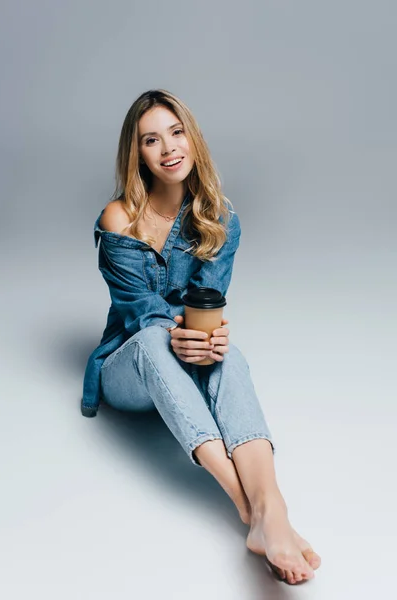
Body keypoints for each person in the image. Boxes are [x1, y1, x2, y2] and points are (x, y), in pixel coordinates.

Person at [81, 89, 321, 585]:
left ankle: (271, 508)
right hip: (130, 368)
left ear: (193, 138)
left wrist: (210, 337)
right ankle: (247, 506)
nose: (168, 148)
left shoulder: (219, 218)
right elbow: (142, 314)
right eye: (151, 139)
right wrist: (182, 334)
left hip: (183, 354)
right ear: (138, 154)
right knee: (152, 342)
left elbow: (206, 303)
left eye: (176, 132)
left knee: (232, 357)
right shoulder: (119, 218)